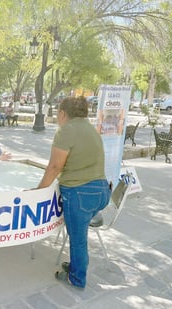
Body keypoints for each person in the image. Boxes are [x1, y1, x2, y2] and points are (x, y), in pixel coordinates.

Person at [35, 97, 111, 288]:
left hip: (80, 194)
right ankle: (77, 265)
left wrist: (38, 191)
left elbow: (54, 167)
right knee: (79, 235)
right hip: (101, 192)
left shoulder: (66, 131)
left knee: (78, 240)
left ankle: (77, 278)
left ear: (62, 113)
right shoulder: (90, 128)